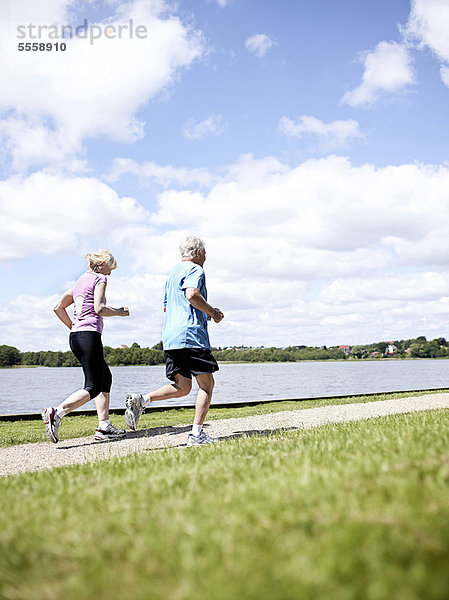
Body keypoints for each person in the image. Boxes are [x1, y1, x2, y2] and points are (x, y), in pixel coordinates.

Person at [125, 235, 224, 446]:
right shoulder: (196, 270)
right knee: (206, 384)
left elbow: (166, 306)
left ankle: (142, 400)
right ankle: (197, 435)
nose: (205, 257)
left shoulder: (172, 275)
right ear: (197, 253)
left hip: (171, 338)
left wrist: (200, 311)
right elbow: (191, 294)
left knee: (183, 386)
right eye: (205, 253)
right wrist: (212, 312)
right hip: (191, 335)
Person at [41, 250, 130, 443]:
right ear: (103, 263)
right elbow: (99, 308)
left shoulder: (80, 280)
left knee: (105, 378)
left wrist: (73, 326)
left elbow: (58, 307)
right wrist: (120, 312)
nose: (110, 273)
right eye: (110, 268)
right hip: (89, 335)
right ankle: (56, 413)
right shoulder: (99, 279)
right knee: (93, 386)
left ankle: (104, 427)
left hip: (76, 337)